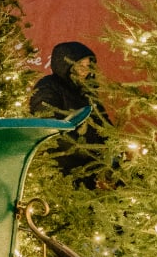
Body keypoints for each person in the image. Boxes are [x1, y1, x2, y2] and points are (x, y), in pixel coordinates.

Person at [29, 41, 113, 188]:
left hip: (89, 166)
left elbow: (103, 121)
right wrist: (88, 149)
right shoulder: (47, 87)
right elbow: (50, 127)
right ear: (67, 66)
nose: (85, 71)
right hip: (60, 168)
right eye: (80, 65)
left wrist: (114, 144)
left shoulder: (87, 90)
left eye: (88, 66)